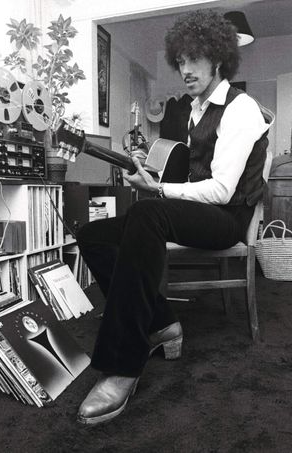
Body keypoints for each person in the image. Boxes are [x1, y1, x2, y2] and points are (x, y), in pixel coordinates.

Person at [76, 9, 274, 425]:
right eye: (180, 61)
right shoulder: (195, 111)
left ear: (218, 57)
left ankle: (123, 364)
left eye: (194, 58)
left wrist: (159, 191)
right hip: (199, 211)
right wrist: (150, 179)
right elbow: (184, 179)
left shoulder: (241, 109)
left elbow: (221, 190)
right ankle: (163, 323)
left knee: (148, 214)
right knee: (93, 234)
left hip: (227, 218)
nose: (185, 69)